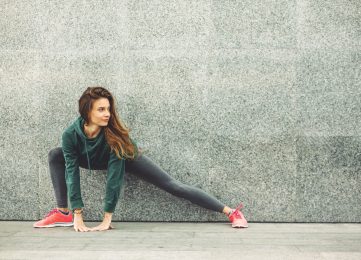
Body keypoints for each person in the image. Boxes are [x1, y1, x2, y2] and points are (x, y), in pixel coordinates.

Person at [33, 86, 248, 232]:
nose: (107, 113)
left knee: (173, 185)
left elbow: (114, 178)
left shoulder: (114, 136)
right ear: (86, 111)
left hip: (126, 157)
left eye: (108, 108)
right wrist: (77, 214)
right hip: (89, 157)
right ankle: (63, 212)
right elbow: (71, 172)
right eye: (101, 109)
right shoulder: (70, 134)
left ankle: (231, 212)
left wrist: (107, 217)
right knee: (55, 154)